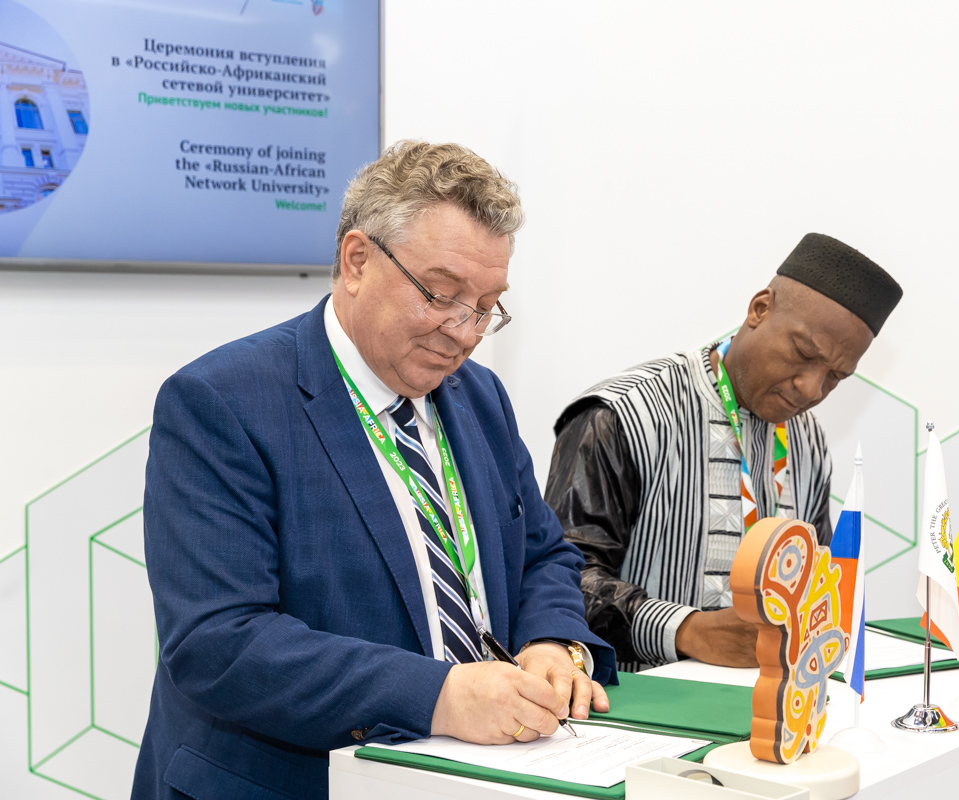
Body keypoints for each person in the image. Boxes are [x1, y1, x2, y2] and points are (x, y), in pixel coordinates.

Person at [134, 141, 616, 800]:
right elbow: (221, 642)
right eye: (441, 294)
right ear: (357, 260)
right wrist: (438, 695)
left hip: (468, 779)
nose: (466, 331)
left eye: (486, 305)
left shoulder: (479, 397)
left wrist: (553, 642)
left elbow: (539, 554)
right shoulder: (224, 401)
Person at [544, 233, 902, 673]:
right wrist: (686, 630)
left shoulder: (807, 441)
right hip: (630, 717)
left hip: (765, 714)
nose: (812, 388)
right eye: (803, 353)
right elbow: (558, 580)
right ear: (760, 309)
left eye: (836, 377)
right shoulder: (624, 414)